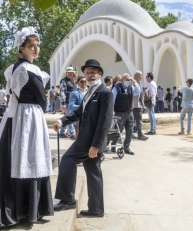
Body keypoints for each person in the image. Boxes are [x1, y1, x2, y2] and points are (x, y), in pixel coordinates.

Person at [0, 27, 53, 227]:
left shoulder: (13, 68)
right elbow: (42, 98)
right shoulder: (29, 70)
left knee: (17, 158)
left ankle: (19, 209)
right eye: (32, 46)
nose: (36, 49)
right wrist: (43, 106)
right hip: (29, 116)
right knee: (30, 158)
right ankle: (30, 210)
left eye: (37, 45)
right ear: (21, 48)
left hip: (16, 117)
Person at [52, 59, 113, 217]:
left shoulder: (104, 93)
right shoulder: (90, 92)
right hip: (86, 140)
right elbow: (79, 113)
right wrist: (61, 121)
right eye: (87, 72)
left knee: (67, 160)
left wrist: (96, 145)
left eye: (93, 72)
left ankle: (67, 199)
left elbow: (104, 122)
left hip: (90, 143)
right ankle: (96, 209)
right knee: (93, 173)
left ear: (100, 74)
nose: (90, 75)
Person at [112, 73, 140, 154]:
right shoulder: (117, 87)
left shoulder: (131, 87)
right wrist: (112, 110)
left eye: (129, 80)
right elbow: (112, 98)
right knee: (118, 129)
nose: (129, 81)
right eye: (127, 80)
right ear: (122, 80)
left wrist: (133, 81)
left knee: (129, 130)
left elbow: (137, 91)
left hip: (129, 112)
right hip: (119, 112)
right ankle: (113, 145)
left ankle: (126, 147)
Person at [59, 66, 77, 139]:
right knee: (70, 117)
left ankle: (62, 132)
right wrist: (63, 103)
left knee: (66, 117)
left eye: (71, 73)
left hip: (72, 102)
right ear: (66, 73)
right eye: (69, 72)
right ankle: (72, 134)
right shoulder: (63, 81)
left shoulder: (72, 81)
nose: (70, 74)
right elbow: (62, 91)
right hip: (67, 102)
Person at [132, 70, 148, 141]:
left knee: (137, 120)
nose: (142, 76)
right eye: (141, 75)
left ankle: (137, 133)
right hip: (135, 105)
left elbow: (141, 95)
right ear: (137, 75)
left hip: (138, 104)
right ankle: (139, 134)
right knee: (137, 120)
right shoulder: (133, 83)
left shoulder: (138, 83)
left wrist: (142, 103)